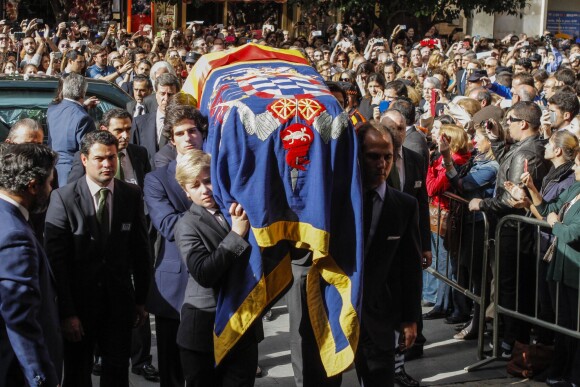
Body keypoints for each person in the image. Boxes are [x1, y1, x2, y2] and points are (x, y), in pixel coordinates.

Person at [45, 130, 151, 386]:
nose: (107, 164)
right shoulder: (64, 198)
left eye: (112, 158)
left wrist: (140, 300)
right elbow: (57, 262)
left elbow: (140, 250)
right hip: (80, 308)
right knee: (78, 373)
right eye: (100, 159)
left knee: (116, 372)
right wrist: (67, 312)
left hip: (118, 304)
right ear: (84, 160)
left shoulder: (131, 194)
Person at [469, 101, 550, 358]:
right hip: (510, 231)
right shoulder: (523, 148)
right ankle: (509, 339)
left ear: (523, 123)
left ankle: (511, 342)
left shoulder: (528, 153)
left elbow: (511, 198)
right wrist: (495, 140)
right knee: (508, 286)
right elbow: (507, 165)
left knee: (512, 288)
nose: (506, 125)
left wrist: (481, 203)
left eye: (510, 121)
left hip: (515, 232)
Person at [174, 149, 261, 386]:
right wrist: (236, 234)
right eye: (196, 185)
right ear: (186, 191)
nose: (205, 190)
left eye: (208, 180)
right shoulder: (187, 225)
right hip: (204, 331)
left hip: (242, 327)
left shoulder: (236, 210)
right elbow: (204, 273)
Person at [144, 104, 206, 387]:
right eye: (180, 133)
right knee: (172, 373)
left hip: (218, 283)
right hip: (174, 288)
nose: (187, 137)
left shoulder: (222, 169)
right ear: (171, 139)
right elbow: (168, 225)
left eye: (192, 130)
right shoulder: (156, 179)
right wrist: (213, 215)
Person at [355, 122, 422, 386]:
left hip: (378, 314)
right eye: (373, 156)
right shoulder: (334, 201)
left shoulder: (405, 206)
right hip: (335, 309)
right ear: (358, 155)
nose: (382, 164)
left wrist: (410, 319)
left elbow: (410, 266)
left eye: (388, 157)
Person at [513, 150, 580, 386]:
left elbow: (572, 233)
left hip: (575, 273)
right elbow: (548, 208)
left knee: (575, 328)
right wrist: (532, 188)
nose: (574, 169)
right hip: (561, 269)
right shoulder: (575, 189)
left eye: (578, 164)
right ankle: (558, 370)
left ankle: (573, 375)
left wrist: (554, 225)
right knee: (563, 327)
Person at [0, 143, 62, 387]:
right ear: (33, 186)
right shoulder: (16, 236)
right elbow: (19, 319)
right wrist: (42, 378)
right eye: (49, 183)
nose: (52, 189)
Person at [423, 125, 472, 321]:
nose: (436, 137)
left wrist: (428, 166)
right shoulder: (444, 160)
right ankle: (441, 302)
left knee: (446, 264)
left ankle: (445, 305)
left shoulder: (456, 161)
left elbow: (432, 188)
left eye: (441, 135)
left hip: (448, 217)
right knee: (442, 262)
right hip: (438, 214)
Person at [68, 108, 151, 187]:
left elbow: (149, 186)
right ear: (104, 129)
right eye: (119, 130)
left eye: (128, 129)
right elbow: (73, 190)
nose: (125, 136)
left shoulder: (140, 153)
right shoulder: (87, 155)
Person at [47, 72, 96, 186]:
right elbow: (87, 152)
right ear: (83, 93)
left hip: (51, 171)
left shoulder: (52, 110)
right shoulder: (84, 118)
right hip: (72, 175)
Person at [132, 73, 180, 168]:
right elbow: (133, 156)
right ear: (156, 94)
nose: (165, 99)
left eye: (170, 94)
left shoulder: (182, 125)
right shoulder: (139, 123)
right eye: (162, 94)